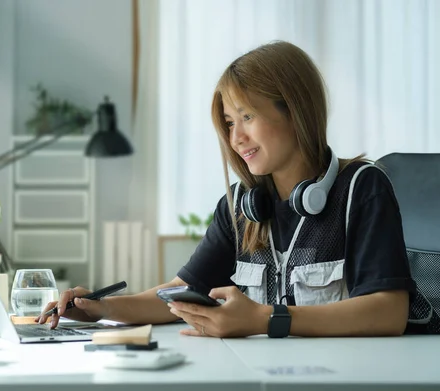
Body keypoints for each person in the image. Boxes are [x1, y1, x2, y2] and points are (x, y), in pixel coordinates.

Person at [37, 41, 439, 337]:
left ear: (295, 111)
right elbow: (181, 293)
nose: (237, 137)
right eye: (229, 122)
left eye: (247, 116)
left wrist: (267, 319)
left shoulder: (361, 189)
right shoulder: (241, 207)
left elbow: (387, 312)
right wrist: (102, 308)